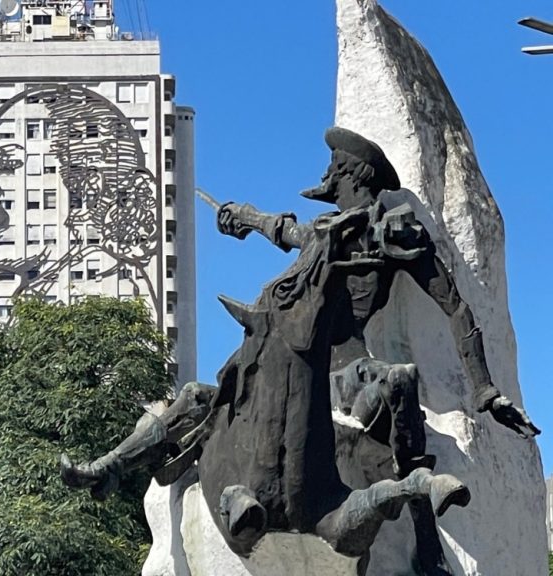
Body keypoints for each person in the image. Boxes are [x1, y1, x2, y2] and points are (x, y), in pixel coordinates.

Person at [61, 128, 537, 569]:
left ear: (352, 174)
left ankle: (428, 540)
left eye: (334, 166)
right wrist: (243, 216)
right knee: (197, 395)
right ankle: (110, 467)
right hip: (288, 359)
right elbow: (284, 230)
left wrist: (485, 390)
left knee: (399, 382)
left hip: (350, 372)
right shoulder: (324, 232)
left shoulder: (392, 230)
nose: (327, 174)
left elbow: (456, 308)